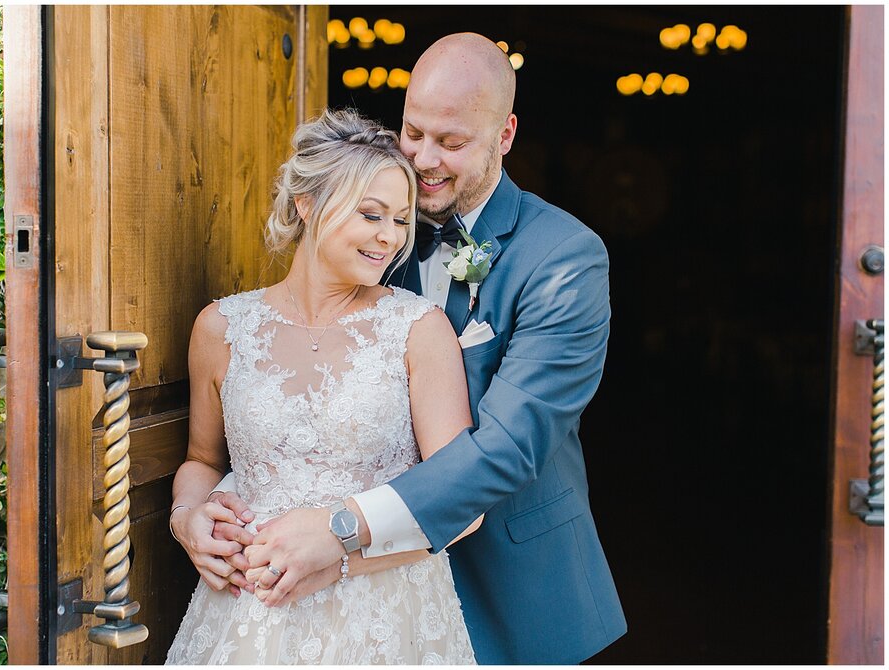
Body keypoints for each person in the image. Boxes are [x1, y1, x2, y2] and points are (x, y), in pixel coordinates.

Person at [191, 32, 628, 664]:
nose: (423, 159)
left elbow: (505, 448)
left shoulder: (564, 258)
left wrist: (342, 530)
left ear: (505, 136)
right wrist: (200, 515)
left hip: (510, 584)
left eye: (451, 144)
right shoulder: (370, 229)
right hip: (345, 600)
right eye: (413, 132)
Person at [165, 108, 479, 664]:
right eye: (371, 214)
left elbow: (462, 504)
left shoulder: (418, 330)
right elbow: (201, 459)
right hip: (249, 616)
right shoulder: (221, 328)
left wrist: (339, 557)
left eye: (401, 220)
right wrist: (188, 517)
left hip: (385, 617)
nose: (389, 238)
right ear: (306, 206)